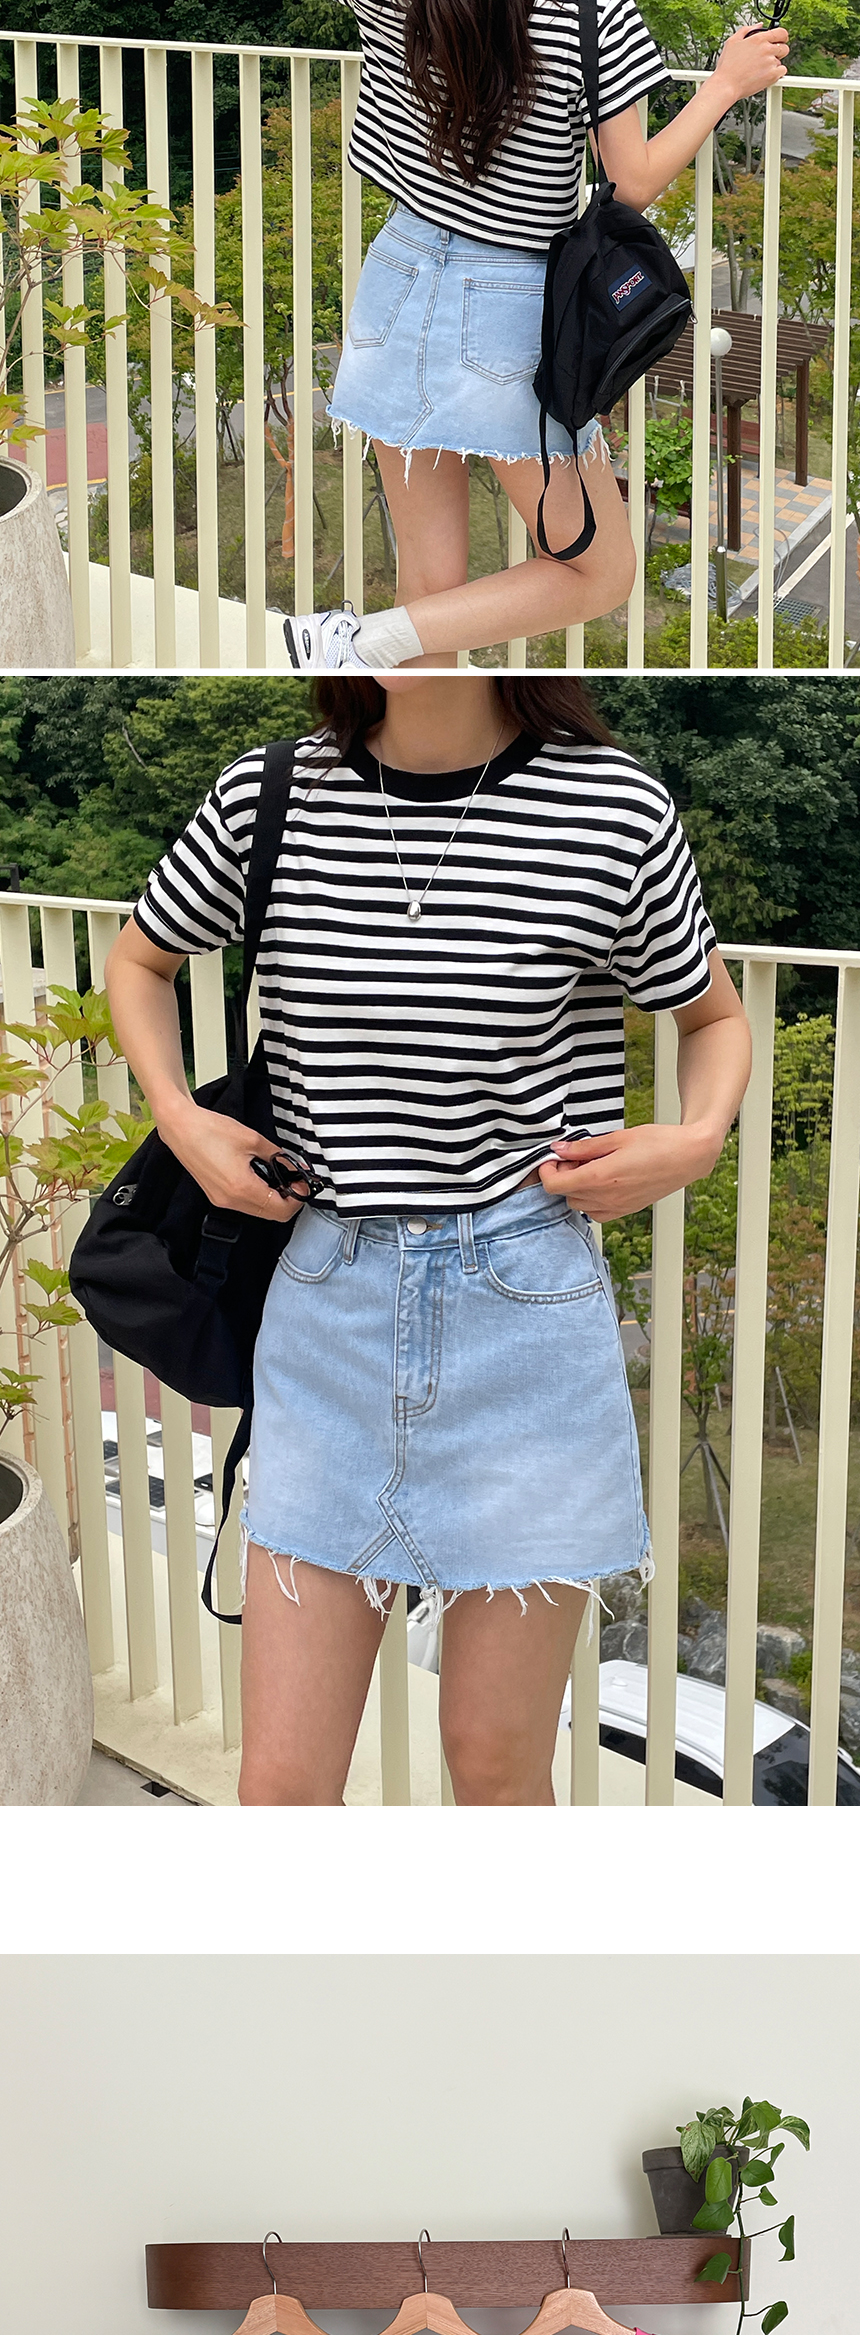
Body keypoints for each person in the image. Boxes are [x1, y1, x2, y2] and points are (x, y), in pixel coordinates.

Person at [103, 670, 752, 1808]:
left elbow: (712, 1016)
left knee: (496, 1771)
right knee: (281, 1786)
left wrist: (696, 1139)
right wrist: (179, 1115)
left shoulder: (611, 807)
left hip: (527, 1308)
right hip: (329, 1301)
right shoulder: (271, 794)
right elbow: (139, 959)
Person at [72, 0, 790, 670]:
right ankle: (358, 642)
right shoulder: (588, 0)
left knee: (432, 585)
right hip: (510, 306)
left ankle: (359, 654)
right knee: (599, 572)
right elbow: (630, 182)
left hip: (397, 280)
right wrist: (724, 86)